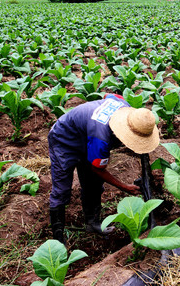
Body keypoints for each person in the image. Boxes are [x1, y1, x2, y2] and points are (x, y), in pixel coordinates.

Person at [48, 94, 160, 244]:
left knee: (93, 184)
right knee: (61, 190)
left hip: (87, 134)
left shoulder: (124, 107)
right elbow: (98, 169)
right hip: (64, 140)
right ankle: (58, 241)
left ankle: (92, 223)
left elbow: (108, 95)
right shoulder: (101, 138)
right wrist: (124, 187)